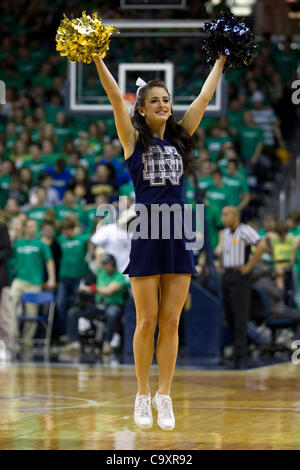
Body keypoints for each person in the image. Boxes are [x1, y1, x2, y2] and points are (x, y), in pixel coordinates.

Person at [93, 51, 226, 430]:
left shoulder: (181, 140)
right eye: (156, 101)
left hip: (178, 233)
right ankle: (142, 393)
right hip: (148, 233)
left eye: (167, 100)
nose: (164, 105)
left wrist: (219, 61)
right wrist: (96, 59)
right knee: (146, 321)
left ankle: (164, 395)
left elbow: (202, 99)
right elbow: (116, 97)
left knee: (170, 323)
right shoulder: (133, 141)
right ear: (143, 109)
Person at [218, 206, 266, 369]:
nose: (223, 218)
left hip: (240, 275)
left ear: (236, 215)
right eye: (223, 215)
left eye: (226, 214)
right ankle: (235, 351)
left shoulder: (245, 230)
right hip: (227, 275)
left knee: (240, 315)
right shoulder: (225, 233)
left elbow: (261, 246)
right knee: (229, 315)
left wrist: (249, 266)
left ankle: (241, 356)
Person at [60, 253, 128, 356]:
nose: (105, 266)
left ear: (113, 264)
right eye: (103, 264)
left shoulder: (119, 277)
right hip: (98, 305)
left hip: (112, 305)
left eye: (107, 264)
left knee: (112, 313)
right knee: (73, 311)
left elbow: (108, 290)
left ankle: (107, 343)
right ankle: (75, 343)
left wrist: (91, 288)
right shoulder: (101, 272)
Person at [9, 218, 56, 347]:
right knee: (10, 303)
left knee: (31, 312)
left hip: (34, 282)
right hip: (19, 280)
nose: (32, 229)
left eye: (34, 227)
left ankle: (27, 340)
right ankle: (13, 335)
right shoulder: (18, 243)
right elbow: (11, 258)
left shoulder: (41, 244)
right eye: (29, 226)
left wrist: (51, 278)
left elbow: (49, 261)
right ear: (25, 228)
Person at [0, 222, 12, 359]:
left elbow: (7, 250)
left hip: (1, 279)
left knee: (3, 315)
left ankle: (7, 346)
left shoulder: (1, 227)